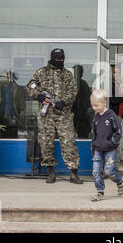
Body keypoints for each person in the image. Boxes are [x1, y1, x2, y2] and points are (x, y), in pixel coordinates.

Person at [26, 48, 82, 184]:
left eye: (62, 59)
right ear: (52, 59)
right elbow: (30, 86)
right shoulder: (41, 72)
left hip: (63, 116)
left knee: (69, 143)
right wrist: (38, 96)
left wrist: (63, 102)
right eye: (58, 59)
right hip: (46, 116)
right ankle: (50, 172)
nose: (60, 61)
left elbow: (73, 91)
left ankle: (74, 173)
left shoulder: (67, 74)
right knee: (46, 143)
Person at [90, 89, 123, 202]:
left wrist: (112, 143)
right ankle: (100, 192)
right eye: (92, 105)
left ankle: (119, 181)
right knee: (96, 171)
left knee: (109, 171)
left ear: (105, 102)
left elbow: (118, 131)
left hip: (110, 149)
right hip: (98, 149)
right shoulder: (95, 117)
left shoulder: (111, 116)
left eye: (97, 105)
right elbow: (94, 134)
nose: (94, 108)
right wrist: (93, 147)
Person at [109, 64, 123, 173]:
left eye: (119, 72)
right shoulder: (109, 85)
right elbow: (112, 100)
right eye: (116, 72)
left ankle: (115, 164)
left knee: (117, 141)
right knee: (114, 141)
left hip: (119, 116)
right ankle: (115, 165)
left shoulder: (117, 84)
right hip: (113, 116)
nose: (118, 74)